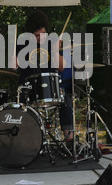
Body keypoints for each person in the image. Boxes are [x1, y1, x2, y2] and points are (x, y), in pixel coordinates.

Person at [12, 10, 74, 142]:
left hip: (50, 88)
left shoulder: (52, 41)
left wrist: (56, 50)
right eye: (37, 36)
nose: (41, 38)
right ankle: (25, 141)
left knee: (65, 99)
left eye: (43, 34)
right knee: (20, 104)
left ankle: (69, 138)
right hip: (28, 89)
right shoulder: (22, 43)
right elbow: (13, 66)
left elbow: (61, 67)